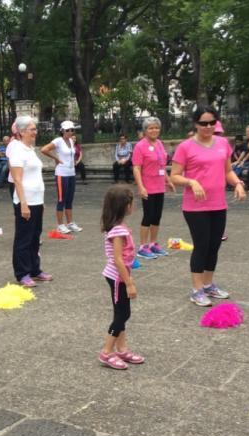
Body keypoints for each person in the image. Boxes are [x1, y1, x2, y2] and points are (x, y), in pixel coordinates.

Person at [169, 106, 246, 307]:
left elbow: (228, 171)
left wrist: (238, 183)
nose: (208, 126)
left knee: (214, 246)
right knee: (201, 246)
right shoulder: (185, 147)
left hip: (218, 203)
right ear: (196, 124)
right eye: (204, 123)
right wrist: (191, 182)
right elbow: (174, 176)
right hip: (195, 207)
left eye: (212, 122)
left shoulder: (222, 143)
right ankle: (197, 290)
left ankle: (208, 284)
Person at [99, 184, 145, 370]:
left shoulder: (117, 227)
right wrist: (129, 283)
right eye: (132, 202)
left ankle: (122, 348)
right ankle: (106, 352)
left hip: (117, 276)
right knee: (123, 314)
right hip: (118, 278)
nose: (133, 205)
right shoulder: (118, 231)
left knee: (120, 313)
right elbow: (118, 260)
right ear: (125, 206)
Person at [9, 115, 52, 287]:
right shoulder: (17, 150)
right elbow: (17, 179)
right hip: (25, 200)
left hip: (36, 200)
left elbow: (35, 177)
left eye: (35, 129)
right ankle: (22, 272)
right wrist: (23, 204)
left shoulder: (30, 149)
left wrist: (41, 202)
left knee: (35, 237)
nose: (35, 132)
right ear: (21, 132)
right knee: (24, 238)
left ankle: (35, 269)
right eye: (32, 129)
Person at [132, 116, 173, 260]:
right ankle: (142, 247)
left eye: (156, 128)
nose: (154, 130)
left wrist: (168, 180)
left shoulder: (160, 143)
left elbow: (161, 165)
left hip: (159, 185)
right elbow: (136, 168)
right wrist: (141, 187)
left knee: (157, 216)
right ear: (145, 130)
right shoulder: (140, 146)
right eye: (150, 128)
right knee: (148, 216)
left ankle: (153, 243)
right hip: (148, 186)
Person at [41, 120, 82, 234]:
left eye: (72, 130)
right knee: (61, 199)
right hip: (61, 173)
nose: (70, 132)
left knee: (69, 199)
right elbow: (44, 149)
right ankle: (60, 225)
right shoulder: (58, 141)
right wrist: (56, 158)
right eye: (68, 130)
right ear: (63, 131)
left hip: (71, 173)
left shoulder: (71, 141)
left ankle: (70, 223)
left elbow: (72, 155)